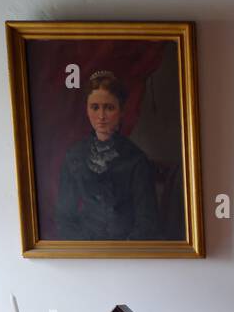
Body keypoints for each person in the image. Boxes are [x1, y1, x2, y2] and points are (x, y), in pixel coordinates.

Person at [56, 70, 161, 240]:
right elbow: (64, 218)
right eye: (95, 107)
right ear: (87, 110)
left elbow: (147, 222)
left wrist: (124, 253)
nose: (101, 116)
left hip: (127, 249)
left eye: (109, 108)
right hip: (86, 248)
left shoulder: (136, 159)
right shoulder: (74, 156)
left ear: (121, 112)